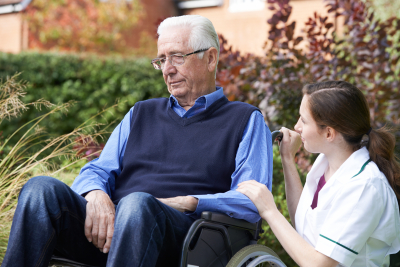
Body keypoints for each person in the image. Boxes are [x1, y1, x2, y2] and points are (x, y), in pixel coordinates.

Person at [2, 15, 273, 267]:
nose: (167, 69)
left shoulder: (245, 120)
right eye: (161, 60)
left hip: (187, 240)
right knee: (40, 190)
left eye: (177, 57)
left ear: (211, 58)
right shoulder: (141, 113)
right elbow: (98, 169)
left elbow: (252, 201)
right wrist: (96, 195)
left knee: (137, 204)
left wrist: (190, 201)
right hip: (111, 232)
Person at [237, 81, 400, 267]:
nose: (297, 126)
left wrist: (269, 211)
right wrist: (287, 159)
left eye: (304, 121)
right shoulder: (326, 162)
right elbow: (303, 222)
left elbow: (318, 264)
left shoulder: (364, 187)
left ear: (329, 133)